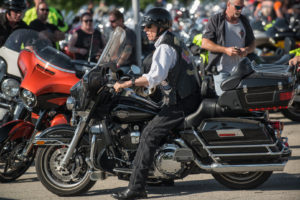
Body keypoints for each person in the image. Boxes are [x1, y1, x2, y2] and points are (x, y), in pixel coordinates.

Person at [111, 8, 200, 200]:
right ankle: (163, 178)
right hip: (187, 96)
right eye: (144, 27)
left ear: (160, 27)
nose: (145, 30)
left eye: (149, 26)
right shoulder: (172, 40)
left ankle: (136, 188)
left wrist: (127, 83)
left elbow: (156, 76)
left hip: (181, 102)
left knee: (148, 135)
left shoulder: (165, 47)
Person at [201, 0, 255, 96]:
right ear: (228, 5)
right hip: (222, 71)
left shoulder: (244, 20)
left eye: (242, 7)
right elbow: (205, 43)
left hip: (241, 71)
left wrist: (246, 50)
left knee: (240, 102)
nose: (239, 10)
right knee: (225, 103)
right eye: (237, 7)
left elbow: (253, 43)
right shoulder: (216, 20)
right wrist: (225, 50)